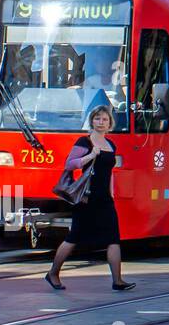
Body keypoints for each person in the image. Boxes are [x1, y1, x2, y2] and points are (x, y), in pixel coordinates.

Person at [45, 104, 133, 291]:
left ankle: (117, 280)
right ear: (92, 121)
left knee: (113, 239)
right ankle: (53, 272)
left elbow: (108, 172)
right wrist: (90, 156)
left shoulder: (111, 145)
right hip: (86, 199)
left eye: (104, 119)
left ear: (110, 123)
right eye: (97, 119)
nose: (101, 122)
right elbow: (70, 164)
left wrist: (111, 193)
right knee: (73, 237)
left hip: (105, 199)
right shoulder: (84, 142)